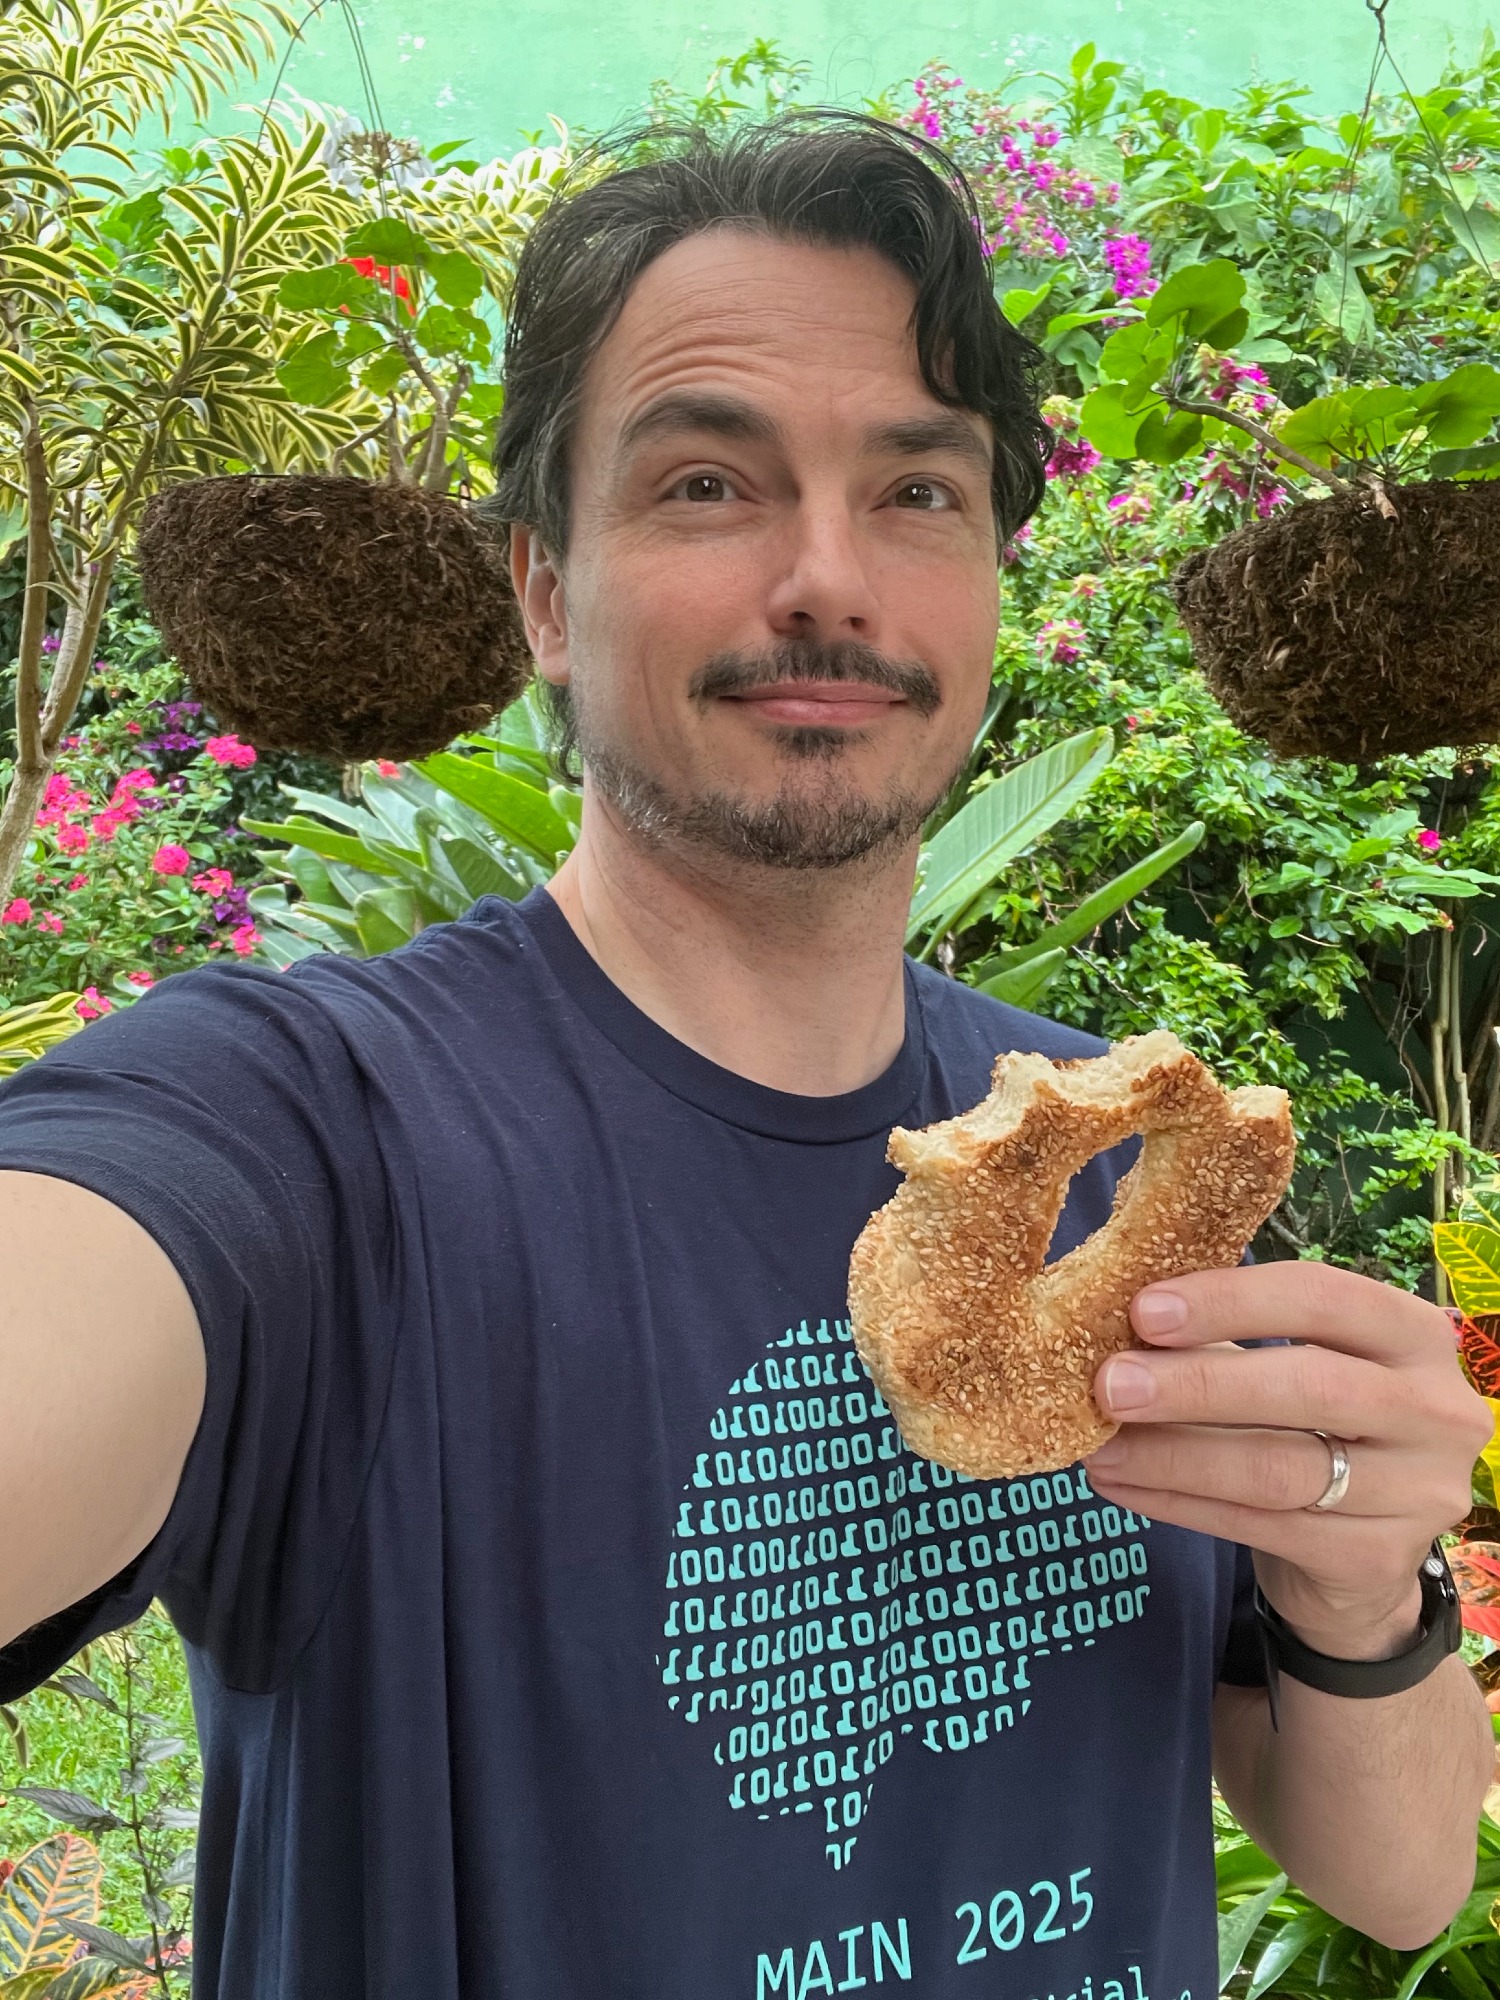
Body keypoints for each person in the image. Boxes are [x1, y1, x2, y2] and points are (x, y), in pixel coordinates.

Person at [0, 112, 1491, 2000]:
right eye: (708, 484)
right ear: (546, 592)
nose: (827, 579)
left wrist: (1359, 1582)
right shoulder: (309, 1134)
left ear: (993, 585)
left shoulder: (1117, 1165)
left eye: (918, 492)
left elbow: (1401, 1881)